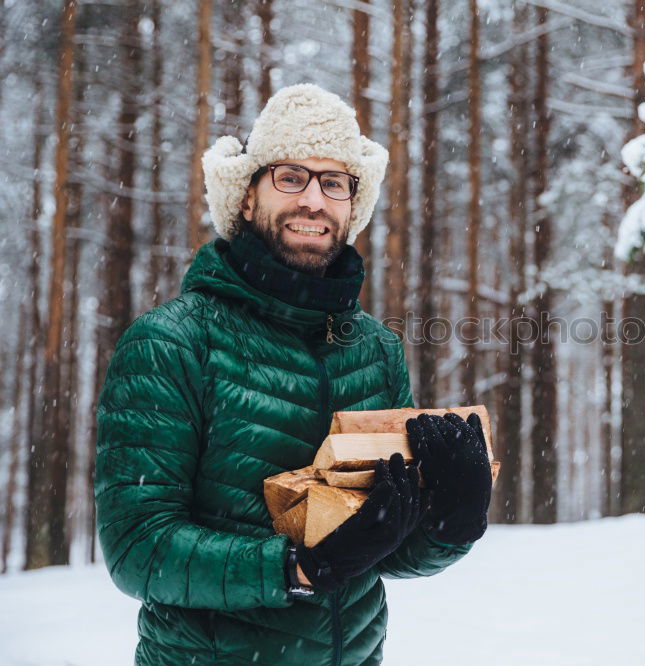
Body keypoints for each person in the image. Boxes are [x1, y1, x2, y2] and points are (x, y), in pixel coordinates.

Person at [95, 83, 493, 665]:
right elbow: (137, 547)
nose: (314, 199)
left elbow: (378, 549)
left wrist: (450, 521)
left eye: (334, 182)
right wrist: (297, 567)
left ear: (352, 206)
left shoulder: (375, 351)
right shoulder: (172, 342)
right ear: (248, 199)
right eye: (291, 176)